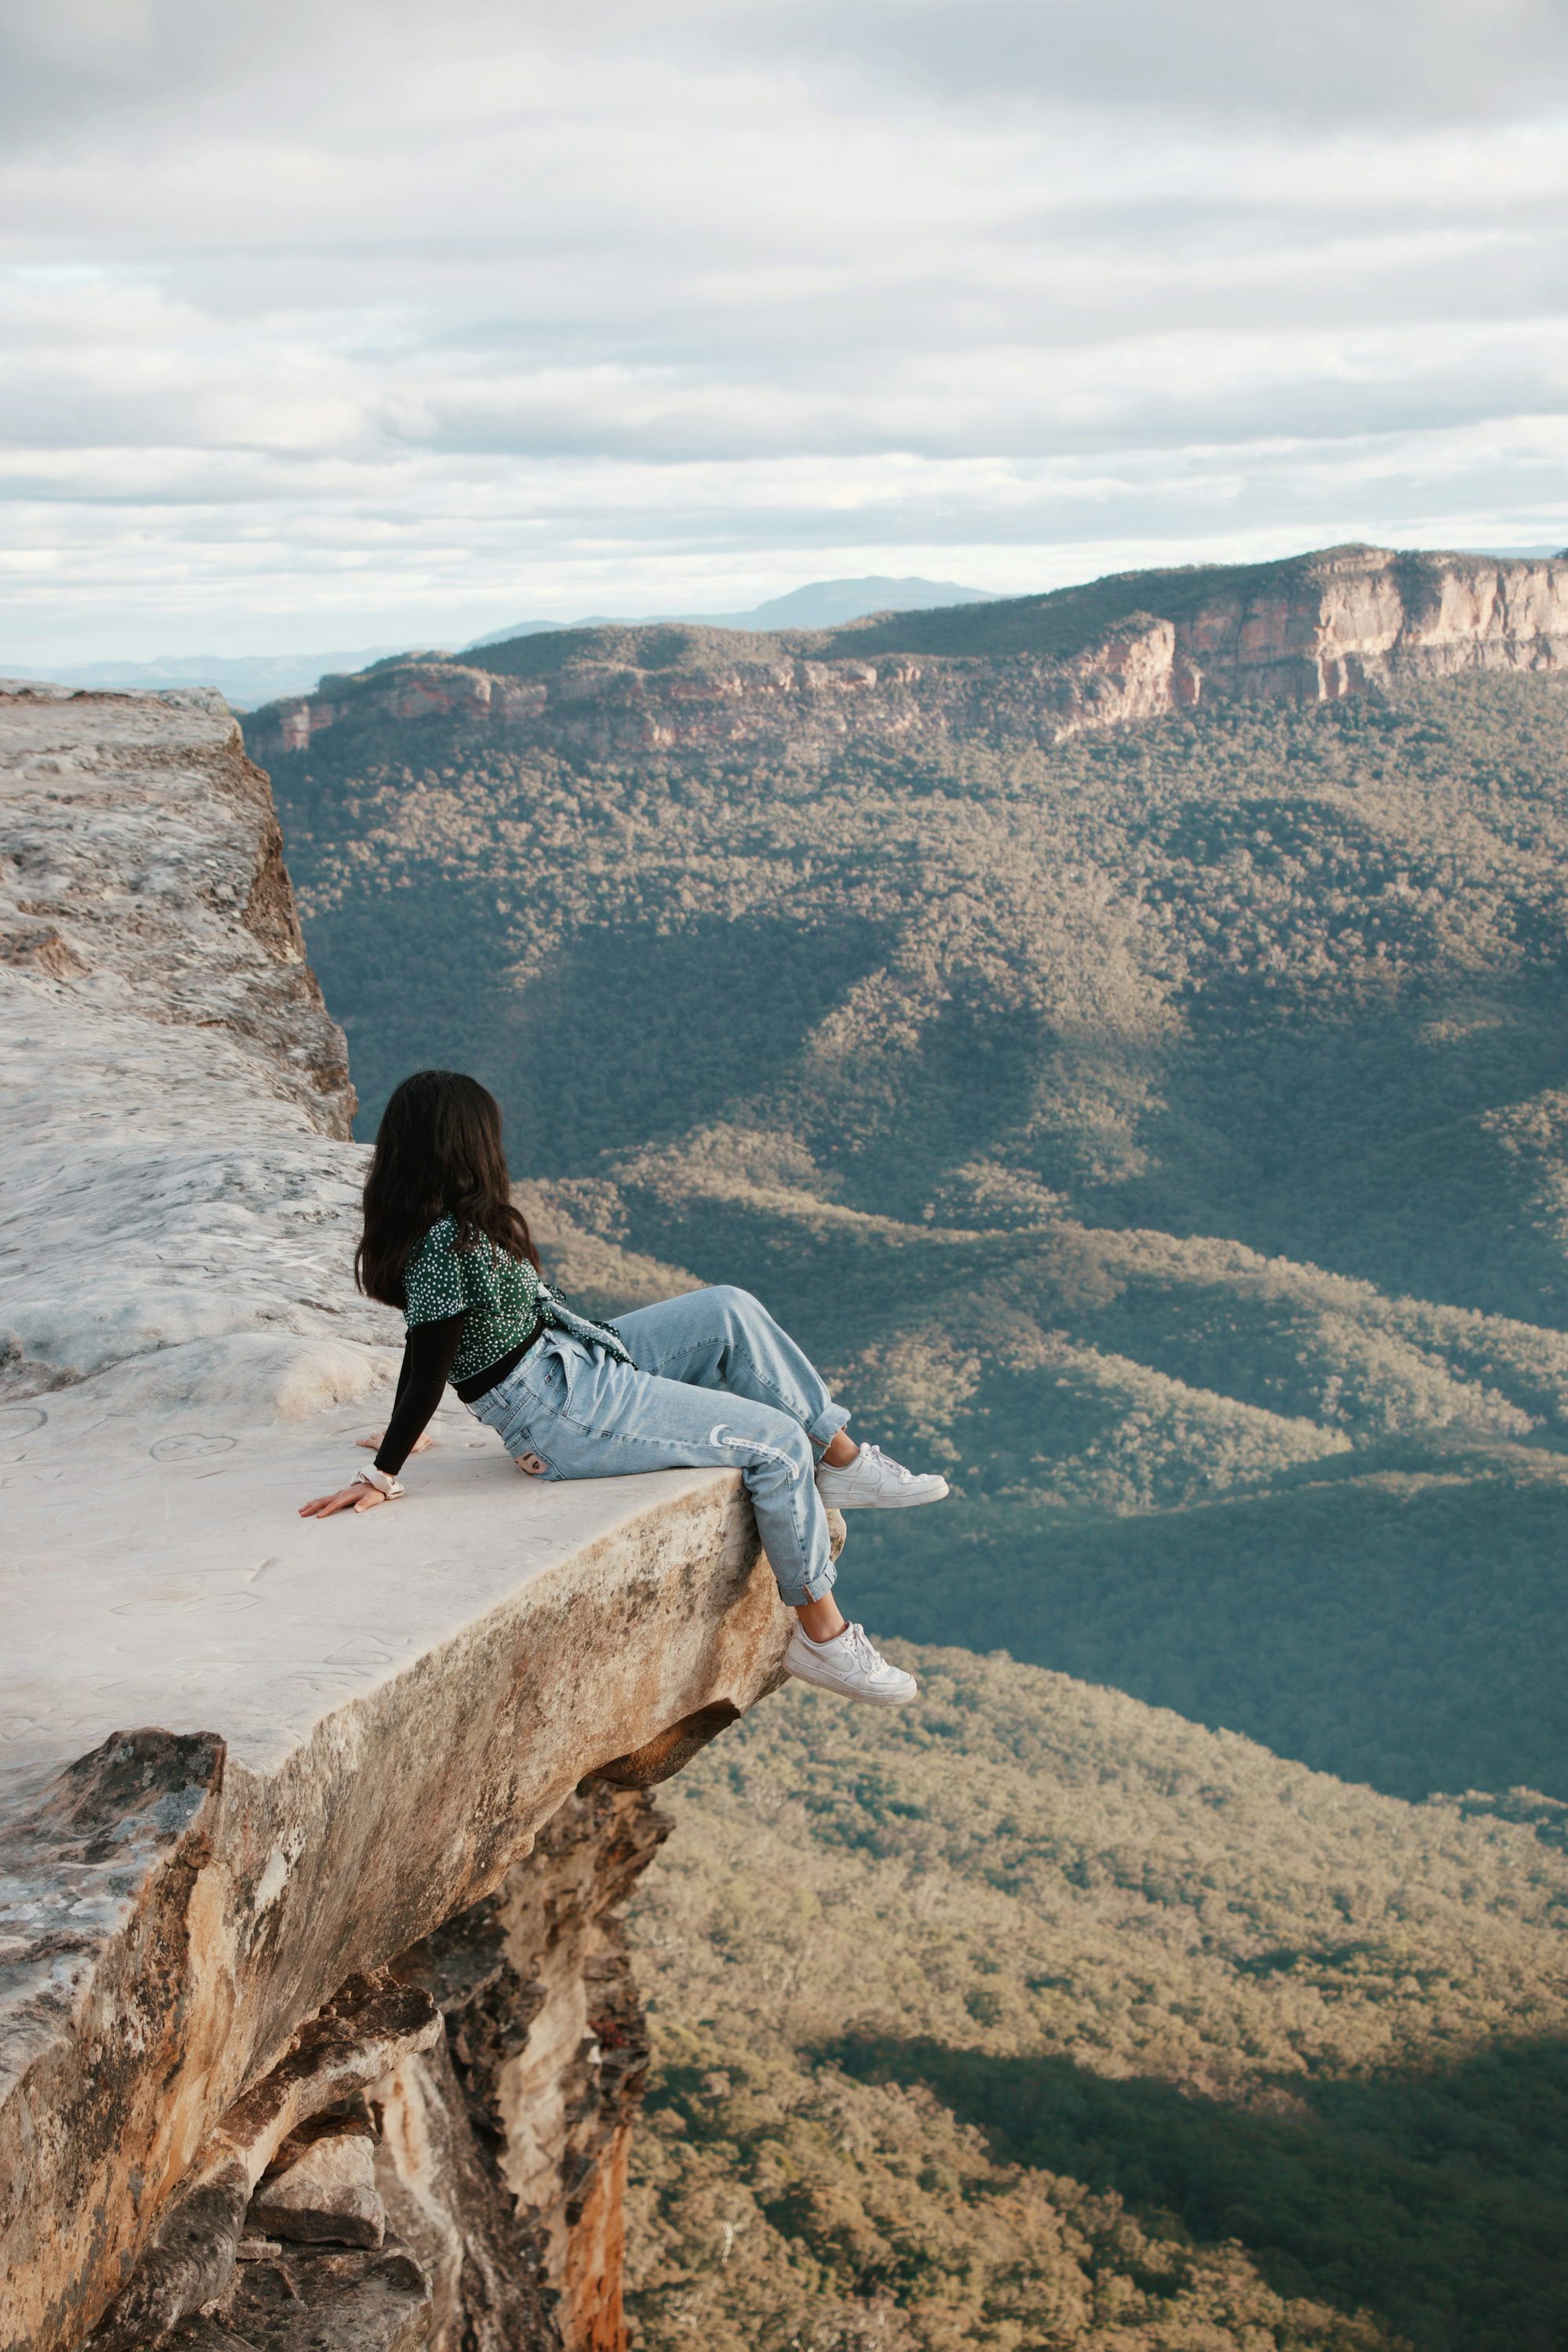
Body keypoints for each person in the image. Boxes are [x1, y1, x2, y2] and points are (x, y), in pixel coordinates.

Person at [299, 1069, 948, 1704]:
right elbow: (429, 1358)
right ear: (465, 1148)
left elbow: (427, 1352)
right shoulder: (450, 1244)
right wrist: (382, 1472)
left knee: (728, 1309)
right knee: (776, 1445)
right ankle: (822, 1638)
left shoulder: (449, 1229)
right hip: (561, 1410)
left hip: (571, 1357)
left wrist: (399, 1436)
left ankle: (843, 1460)